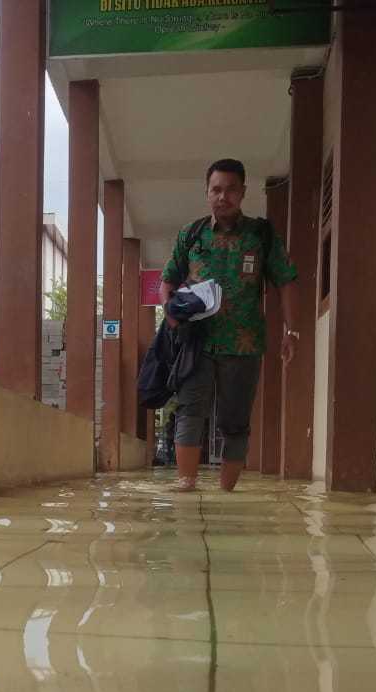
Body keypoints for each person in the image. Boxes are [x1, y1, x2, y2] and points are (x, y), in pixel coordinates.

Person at [160, 158, 299, 493]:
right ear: (207, 193)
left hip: (244, 344)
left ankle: (226, 494)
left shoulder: (261, 235)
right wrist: (170, 312)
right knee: (190, 412)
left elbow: (287, 281)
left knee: (235, 423)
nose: (223, 196)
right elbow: (167, 280)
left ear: (243, 192)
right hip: (198, 343)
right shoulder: (191, 234)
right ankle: (186, 486)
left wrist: (291, 330)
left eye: (230, 189)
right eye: (216, 189)